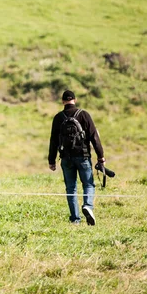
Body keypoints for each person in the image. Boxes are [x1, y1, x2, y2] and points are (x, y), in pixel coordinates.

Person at [48, 90, 105, 225]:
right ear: (75, 99)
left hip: (66, 158)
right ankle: (88, 206)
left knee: (71, 188)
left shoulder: (58, 117)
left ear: (62, 101)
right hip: (83, 157)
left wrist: (51, 160)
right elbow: (94, 137)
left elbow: (53, 141)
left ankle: (75, 219)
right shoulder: (83, 115)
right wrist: (100, 156)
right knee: (89, 184)